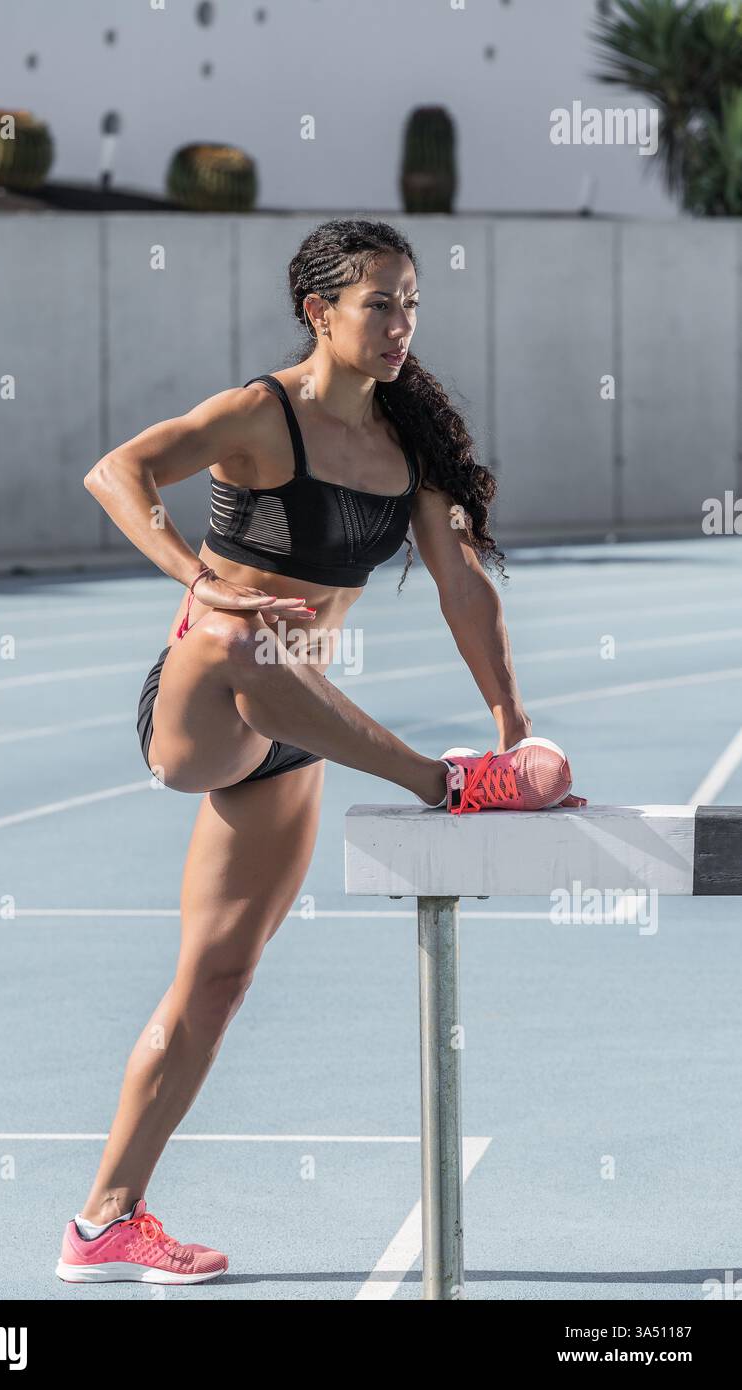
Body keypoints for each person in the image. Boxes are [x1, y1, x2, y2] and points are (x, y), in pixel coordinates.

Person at [55, 218, 586, 1286]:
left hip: (288, 738)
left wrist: (512, 724)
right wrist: (195, 580)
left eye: (410, 306)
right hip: (204, 706)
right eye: (377, 304)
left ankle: (104, 1222)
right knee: (246, 636)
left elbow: (459, 586)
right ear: (319, 312)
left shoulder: (404, 447)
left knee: (218, 980)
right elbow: (117, 472)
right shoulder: (262, 413)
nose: (398, 326)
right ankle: (444, 785)